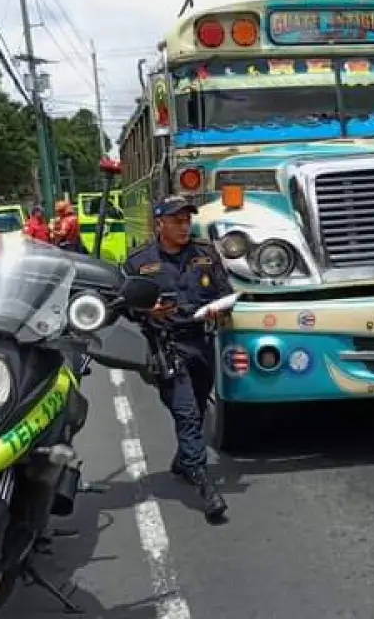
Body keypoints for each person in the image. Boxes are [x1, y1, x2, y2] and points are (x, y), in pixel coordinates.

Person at [123, 195, 235, 521]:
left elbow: (224, 292)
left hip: (201, 342)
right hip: (166, 346)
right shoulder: (140, 262)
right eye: (177, 221)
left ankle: (184, 459)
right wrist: (147, 310)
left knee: (199, 408)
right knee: (185, 411)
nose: (184, 226)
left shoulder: (205, 255)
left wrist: (220, 308)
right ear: (161, 223)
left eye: (187, 220)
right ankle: (203, 482)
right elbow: (125, 306)